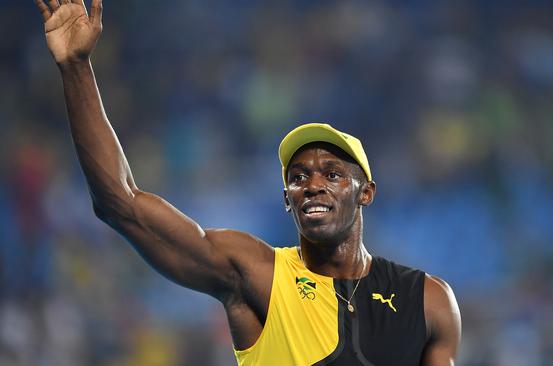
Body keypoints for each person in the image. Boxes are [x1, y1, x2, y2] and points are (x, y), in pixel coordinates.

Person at [34, 0, 462, 364]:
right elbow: (121, 204)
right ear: (286, 199)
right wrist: (76, 68)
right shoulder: (257, 276)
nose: (313, 185)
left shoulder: (428, 301)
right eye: (298, 178)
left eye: (332, 174)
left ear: (365, 192)